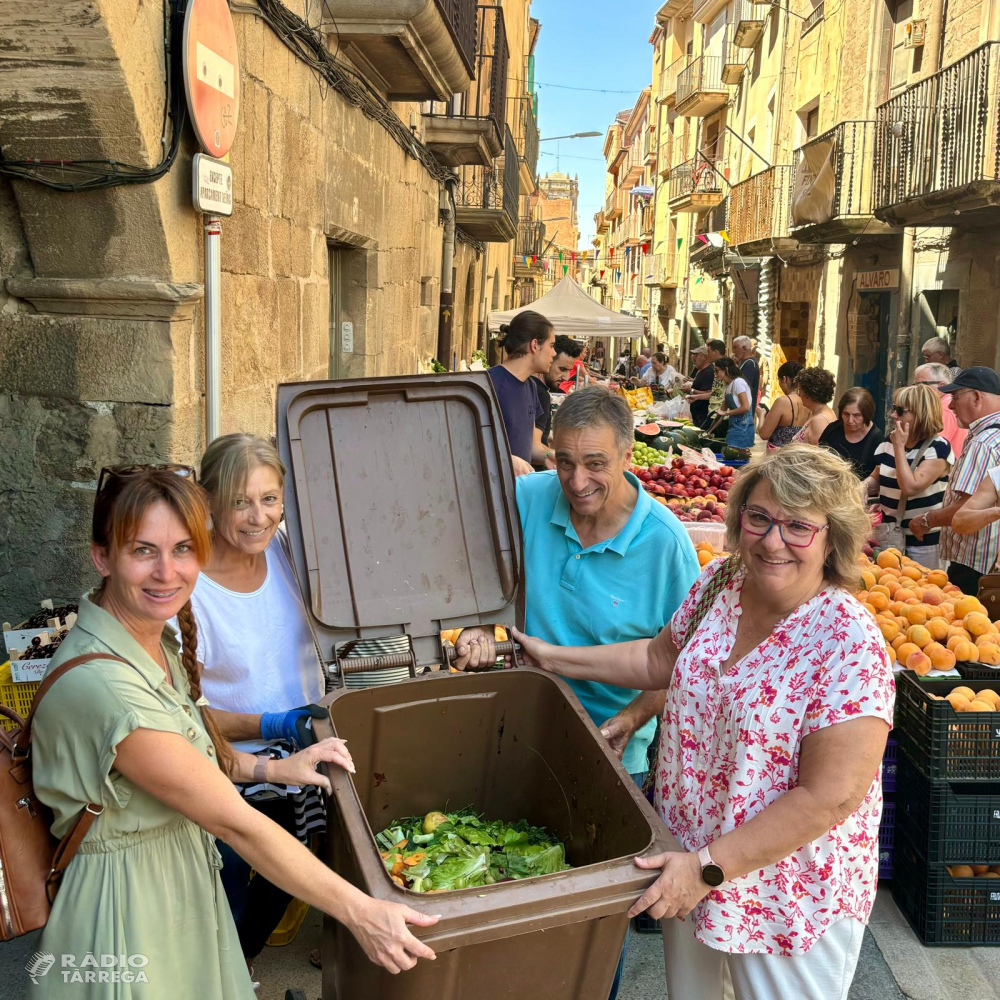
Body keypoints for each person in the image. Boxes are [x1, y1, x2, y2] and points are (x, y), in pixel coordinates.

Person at [31, 466, 439, 1000]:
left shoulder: (151, 644)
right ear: (102, 557)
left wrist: (273, 767)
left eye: (182, 549)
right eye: (143, 551)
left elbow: (192, 757)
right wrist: (360, 911)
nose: (166, 572)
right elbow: (236, 822)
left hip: (179, 887)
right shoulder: (104, 686)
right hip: (126, 912)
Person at [511, 445, 893, 1000]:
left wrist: (708, 869)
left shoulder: (848, 642)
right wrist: (552, 656)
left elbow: (829, 797)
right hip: (687, 856)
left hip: (782, 894)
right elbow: (657, 660)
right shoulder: (723, 583)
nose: (772, 540)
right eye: (759, 517)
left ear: (833, 538)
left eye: (798, 526)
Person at [448, 386, 700, 1000]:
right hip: (512, 733)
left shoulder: (666, 546)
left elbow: (686, 667)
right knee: (502, 885)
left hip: (611, 756)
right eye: (563, 460)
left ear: (628, 455)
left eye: (595, 464)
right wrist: (480, 622)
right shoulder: (528, 498)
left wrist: (634, 718)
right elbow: (479, 570)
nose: (576, 479)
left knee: (589, 918)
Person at [173, 435, 331, 967]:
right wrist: (270, 721)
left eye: (269, 499)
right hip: (233, 775)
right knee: (229, 898)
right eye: (240, 501)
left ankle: (236, 967)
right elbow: (180, 714)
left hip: (303, 759)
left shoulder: (287, 551)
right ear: (209, 501)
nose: (257, 516)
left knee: (292, 874)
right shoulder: (187, 591)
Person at [914, 367, 1000, 594]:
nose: (950, 405)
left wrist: (926, 519)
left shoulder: (984, 443)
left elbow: (961, 512)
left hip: (975, 566)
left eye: (955, 397)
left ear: (977, 397)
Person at [863, 385, 953, 568]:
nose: (893, 415)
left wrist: (899, 448)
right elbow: (876, 478)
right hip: (889, 537)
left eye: (899, 411)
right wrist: (861, 488)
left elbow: (910, 487)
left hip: (924, 542)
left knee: (920, 590)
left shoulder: (937, 448)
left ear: (920, 414)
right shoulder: (889, 442)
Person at [489, 310, 557, 476]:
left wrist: (550, 456)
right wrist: (507, 460)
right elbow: (468, 446)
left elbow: (531, 446)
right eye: (552, 345)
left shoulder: (532, 387)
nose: (554, 353)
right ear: (535, 345)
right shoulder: (489, 384)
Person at [534, 335, 583, 453]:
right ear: (549, 359)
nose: (566, 377)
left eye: (569, 371)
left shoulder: (534, 388)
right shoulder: (540, 395)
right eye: (562, 369)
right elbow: (534, 448)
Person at [820, 387, 882, 478]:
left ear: (866, 415)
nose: (850, 420)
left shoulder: (876, 439)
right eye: (846, 414)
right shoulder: (833, 430)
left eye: (857, 415)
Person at [914, 362, 968, 458]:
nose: (916, 389)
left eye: (921, 384)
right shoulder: (945, 405)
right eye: (915, 384)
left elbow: (933, 447)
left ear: (941, 385)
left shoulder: (943, 409)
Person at [758, 361, 807, 450]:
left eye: (779, 380)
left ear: (785, 379)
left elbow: (763, 434)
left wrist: (761, 415)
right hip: (797, 456)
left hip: (779, 457)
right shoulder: (808, 401)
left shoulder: (782, 402)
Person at [712, 357, 755, 451]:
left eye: (717, 371)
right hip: (734, 426)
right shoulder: (728, 388)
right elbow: (721, 413)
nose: (715, 374)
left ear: (726, 369)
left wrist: (727, 413)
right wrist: (709, 431)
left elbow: (746, 407)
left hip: (743, 426)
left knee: (736, 456)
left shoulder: (738, 382)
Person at [792, 367, 837, 445]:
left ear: (808, 393)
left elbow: (818, 454)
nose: (798, 394)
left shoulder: (819, 421)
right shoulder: (818, 412)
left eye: (800, 390)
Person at [686, 345, 715, 429]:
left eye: (696, 355)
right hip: (697, 415)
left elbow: (709, 393)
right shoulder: (700, 370)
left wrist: (691, 391)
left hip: (702, 416)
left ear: (704, 357)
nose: (693, 358)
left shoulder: (709, 372)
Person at [732, 336, 760, 410]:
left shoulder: (749, 364)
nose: (733, 351)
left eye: (735, 347)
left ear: (744, 348)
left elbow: (743, 389)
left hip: (744, 414)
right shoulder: (744, 362)